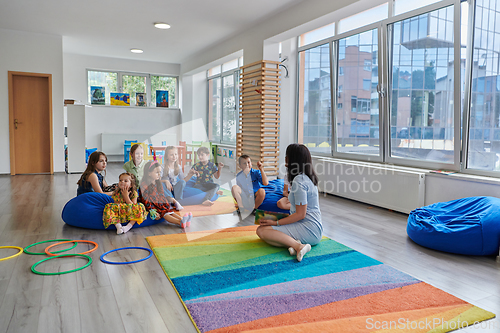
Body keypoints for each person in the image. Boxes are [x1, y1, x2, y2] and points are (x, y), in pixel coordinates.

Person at [256, 144, 323, 262]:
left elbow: (300, 214)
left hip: (310, 228)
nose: (285, 158)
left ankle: (299, 247)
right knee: (266, 230)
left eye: (287, 155)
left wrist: (276, 222)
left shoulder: (299, 181)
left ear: (293, 159)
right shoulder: (305, 177)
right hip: (308, 224)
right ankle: (293, 244)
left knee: (261, 231)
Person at [139, 160, 192, 228]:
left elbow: (162, 195)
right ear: (149, 173)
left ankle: (183, 220)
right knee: (164, 213)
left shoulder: (158, 183)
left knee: (169, 211)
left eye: (160, 172)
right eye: (156, 172)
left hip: (159, 203)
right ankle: (179, 222)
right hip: (151, 206)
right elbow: (145, 200)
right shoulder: (144, 185)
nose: (159, 174)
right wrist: (152, 210)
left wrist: (165, 204)